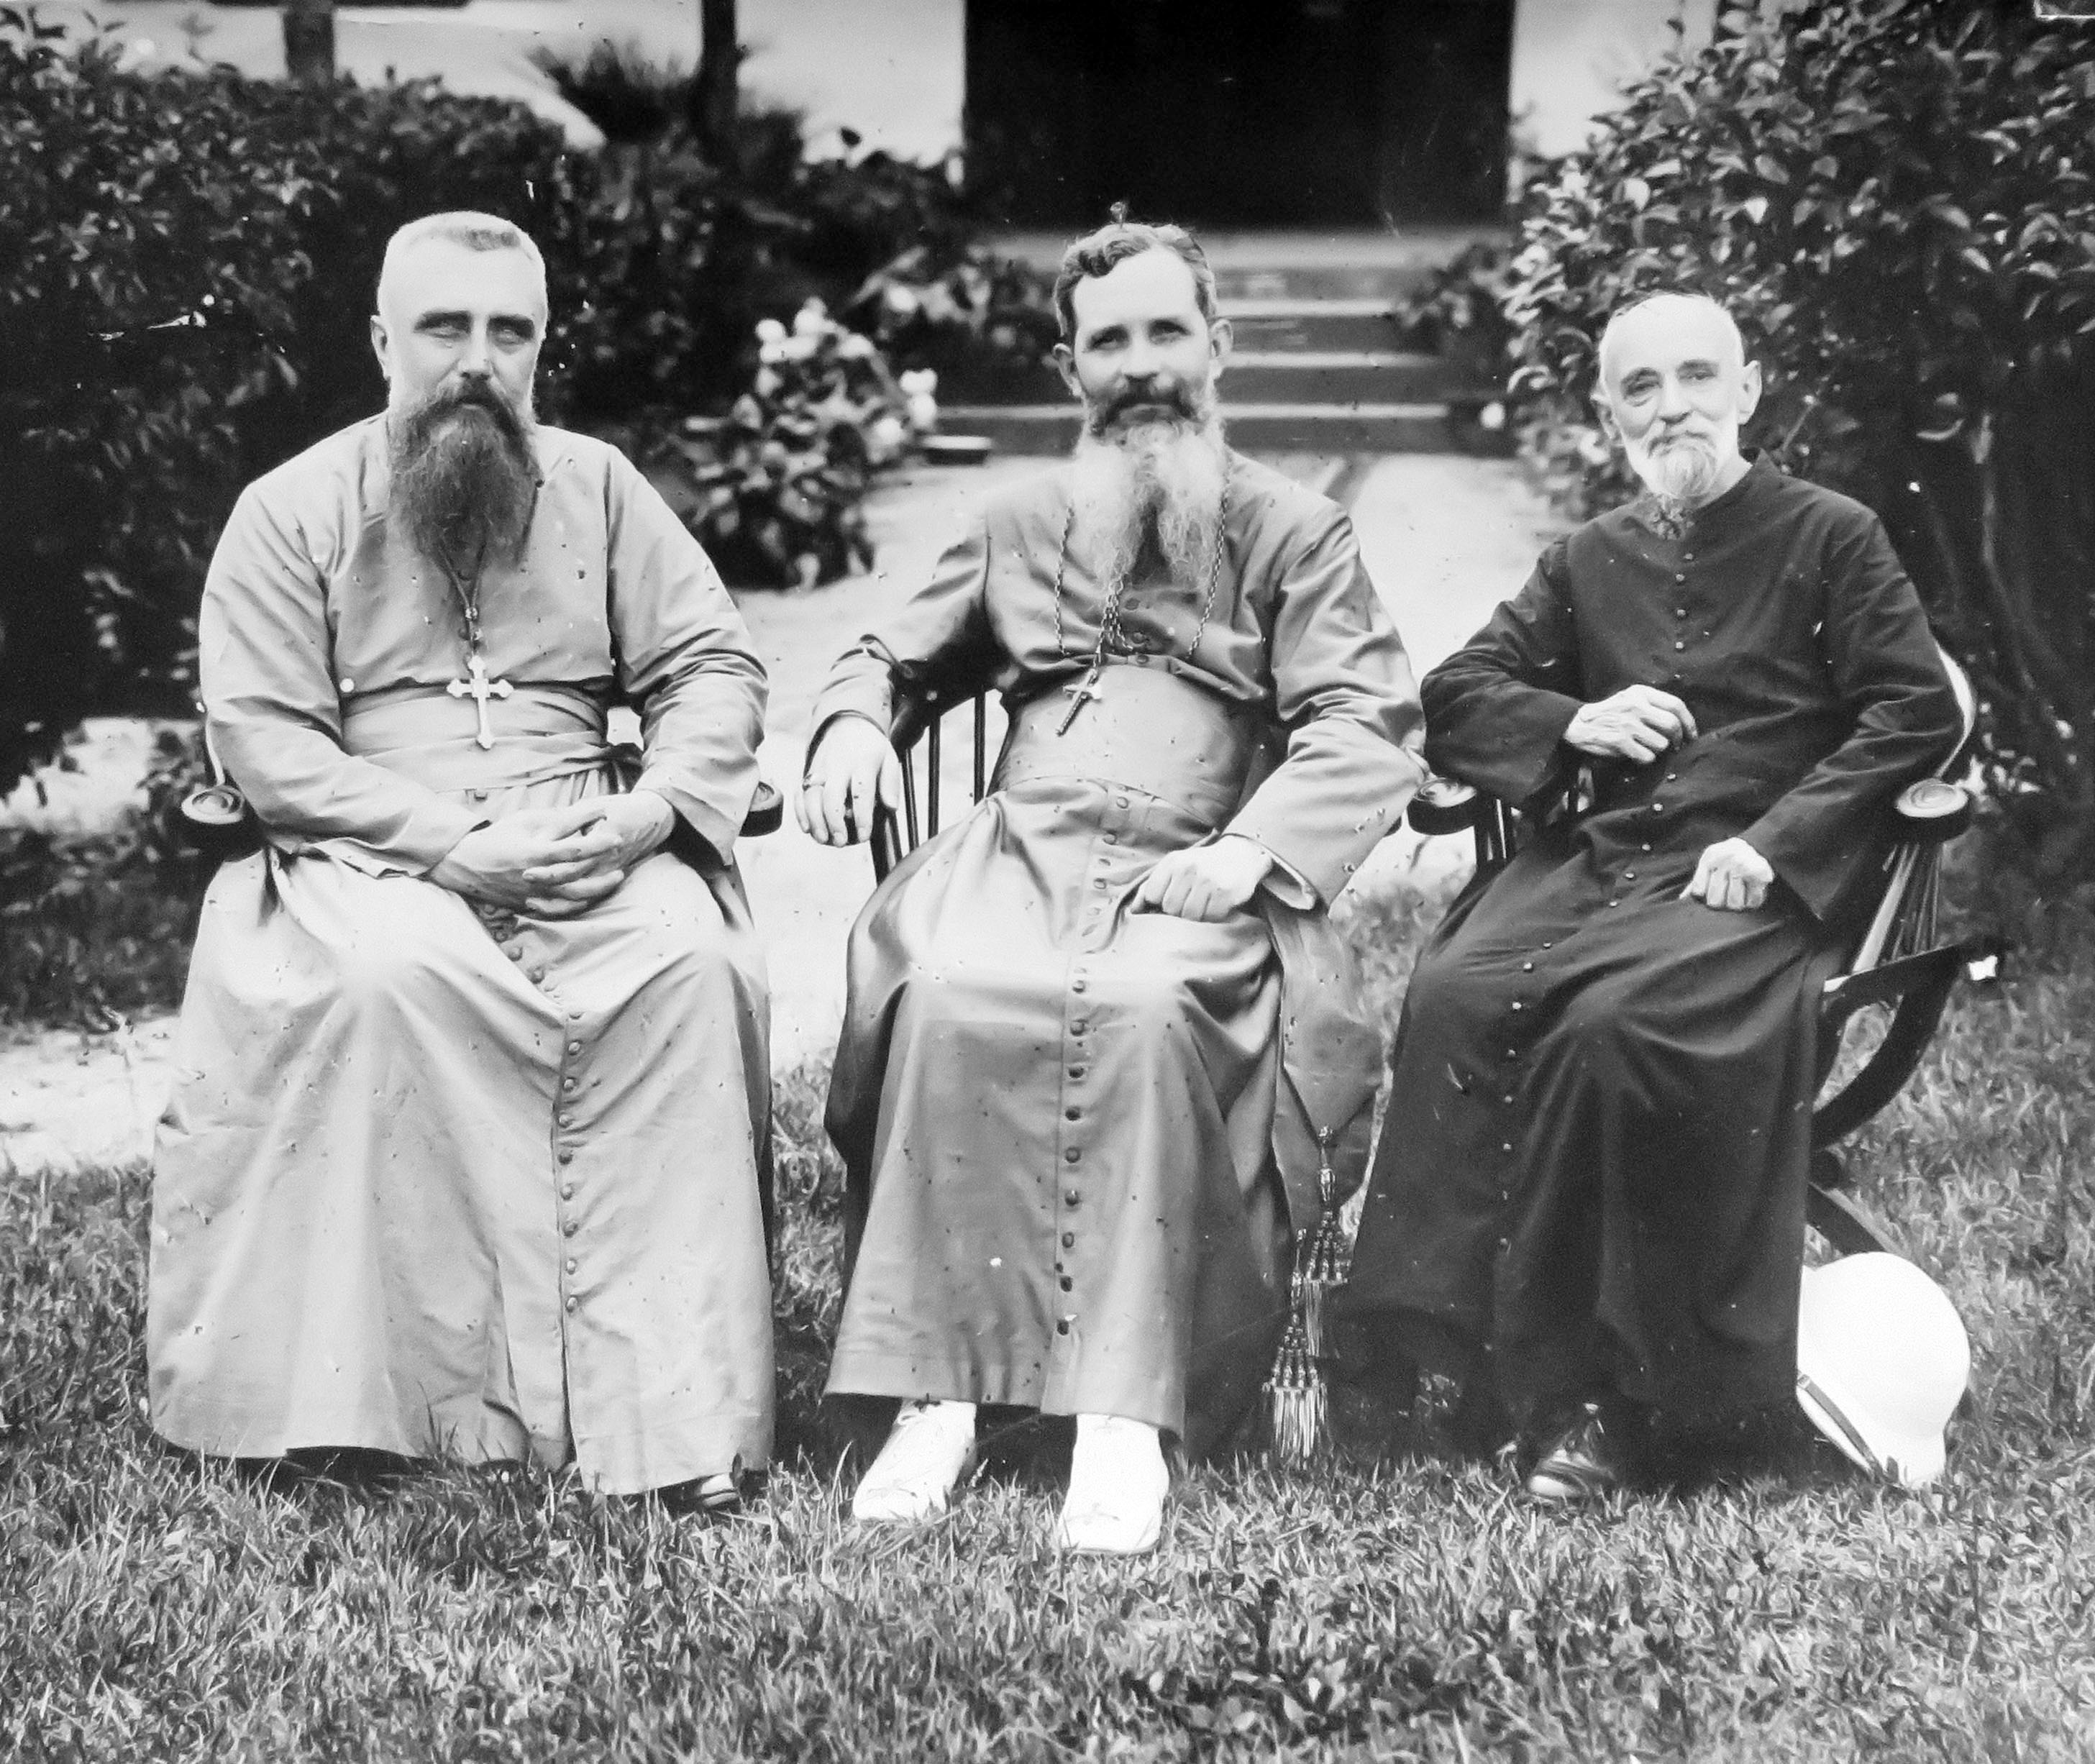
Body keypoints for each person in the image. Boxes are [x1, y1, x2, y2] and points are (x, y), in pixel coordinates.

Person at [798, 216, 1425, 1554]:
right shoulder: (1014, 521)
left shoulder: (1295, 530)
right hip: (1014, 853)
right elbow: (885, 653)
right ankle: (937, 1397)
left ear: (1217, 347)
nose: (1139, 366)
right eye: (1108, 343)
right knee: (949, 992)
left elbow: (1363, 718)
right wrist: (854, 719)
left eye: (1164, 333)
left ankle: (1121, 1416)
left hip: (1197, 864)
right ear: (1069, 367)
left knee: (1140, 1014)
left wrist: (1248, 852)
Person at [149, 213, 774, 1504]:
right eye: (445, 327)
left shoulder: (600, 487)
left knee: (689, 965)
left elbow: (711, 664)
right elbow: (265, 740)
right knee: (392, 982)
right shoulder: (289, 509)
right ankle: (389, 1415)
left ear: (542, 346)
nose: (478, 362)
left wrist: (655, 810)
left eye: (510, 331)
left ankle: (670, 1420)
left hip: (583, 831)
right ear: (383, 342)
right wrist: (456, 845)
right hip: (374, 846)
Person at [1336, 291, 1964, 1502]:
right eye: (1640, 386)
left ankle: (1613, 1400)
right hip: (1601, 860)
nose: (1670, 406)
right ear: (1607, 412)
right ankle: (1438, 1349)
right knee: (1459, 986)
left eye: (1695, 376)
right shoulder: (1588, 556)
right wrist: (1572, 717)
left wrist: (1779, 843)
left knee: (1615, 1025)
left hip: (1751, 885)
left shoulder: (1832, 534)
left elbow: (1913, 710)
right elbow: (1456, 694)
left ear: (1747, 391)